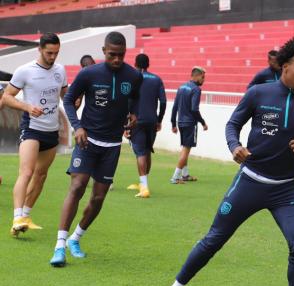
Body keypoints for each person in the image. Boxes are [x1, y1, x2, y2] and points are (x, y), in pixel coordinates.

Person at [153, 37, 294, 286]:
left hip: (286, 189)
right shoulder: (259, 93)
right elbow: (232, 124)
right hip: (250, 181)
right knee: (214, 239)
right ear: (285, 66)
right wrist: (234, 145)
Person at [49, 31, 142, 267]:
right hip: (87, 141)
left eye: (121, 55)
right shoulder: (89, 74)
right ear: (103, 51)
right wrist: (77, 127)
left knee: (99, 196)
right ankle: (59, 245)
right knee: (78, 186)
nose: (117, 59)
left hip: (112, 145)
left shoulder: (132, 75)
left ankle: (75, 238)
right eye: (112, 55)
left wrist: (134, 113)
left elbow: (136, 98)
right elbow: (68, 100)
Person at [1, 33, 67, 236]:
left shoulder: (60, 71)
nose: (53, 57)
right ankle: (17, 216)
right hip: (31, 129)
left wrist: (76, 101)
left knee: (41, 175)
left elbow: (66, 96)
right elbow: (7, 97)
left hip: (51, 130)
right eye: (49, 53)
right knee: (27, 172)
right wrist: (28, 107)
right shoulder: (25, 71)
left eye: (56, 53)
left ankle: (26, 216)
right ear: (39, 49)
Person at [126, 53, 167, 197]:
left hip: (137, 120)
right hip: (151, 120)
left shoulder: (133, 78)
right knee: (147, 150)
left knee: (140, 152)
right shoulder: (157, 79)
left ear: (135, 64)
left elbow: (128, 100)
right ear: (148, 64)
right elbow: (163, 102)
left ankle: (144, 188)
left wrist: (126, 122)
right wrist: (159, 120)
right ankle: (144, 184)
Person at [169, 67, 208, 183]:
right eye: (202, 77)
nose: (203, 80)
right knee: (186, 150)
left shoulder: (181, 87)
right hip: (190, 123)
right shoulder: (196, 89)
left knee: (185, 148)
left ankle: (185, 175)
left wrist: (173, 124)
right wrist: (203, 122)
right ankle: (175, 177)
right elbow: (194, 109)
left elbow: (175, 107)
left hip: (180, 122)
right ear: (196, 76)